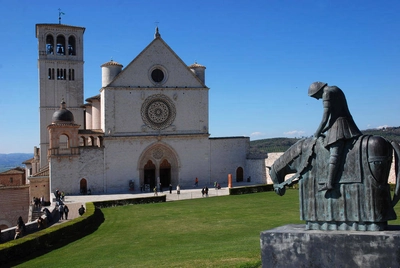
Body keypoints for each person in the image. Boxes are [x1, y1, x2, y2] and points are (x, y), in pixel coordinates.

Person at [308, 82, 362, 191]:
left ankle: (329, 183)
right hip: (342, 123)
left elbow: (325, 118)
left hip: (341, 126)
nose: (317, 99)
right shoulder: (335, 89)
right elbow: (333, 118)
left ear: (317, 91)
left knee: (334, 153)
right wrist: (324, 130)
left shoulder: (326, 93)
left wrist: (317, 133)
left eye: (315, 96)